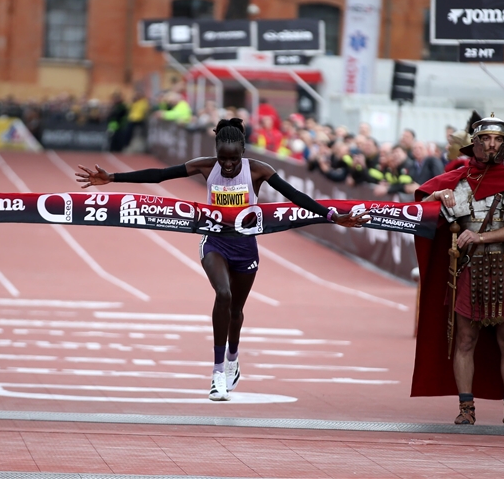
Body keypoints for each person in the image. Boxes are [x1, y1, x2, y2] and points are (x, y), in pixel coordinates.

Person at [75, 118, 369, 401]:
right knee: (224, 295)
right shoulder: (206, 167)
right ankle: (217, 374)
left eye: (233, 160)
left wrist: (332, 216)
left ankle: (233, 358)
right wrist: (112, 178)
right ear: (216, 154)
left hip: (245, 247)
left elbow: (295, 195)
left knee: (236, 313)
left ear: (243, 153)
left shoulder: (258, 171)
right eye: (222, 159)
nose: (227, 166)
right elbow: (161, 174)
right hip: (215, 242)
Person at [412, 114, 504, 426]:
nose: (491, 145)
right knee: (464, 340)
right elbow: (425, 204)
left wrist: (480, 236)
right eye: (485, 139)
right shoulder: (456, 184)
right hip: (469, 270)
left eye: (498, 140)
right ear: (473, 144)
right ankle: (466, 408)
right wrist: (437, 198)